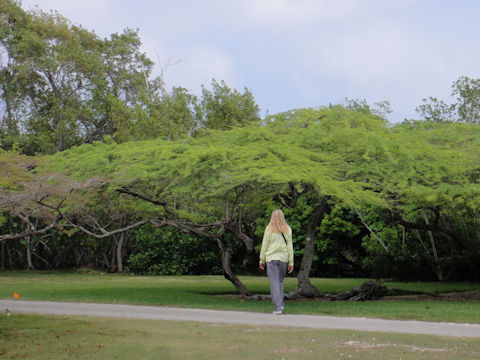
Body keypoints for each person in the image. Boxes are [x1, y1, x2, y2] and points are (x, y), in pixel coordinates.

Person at [259, 209, 294, 315]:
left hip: (271, 258)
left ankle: (278, 307)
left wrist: (262, 260)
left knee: (274, 283)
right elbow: (290, 246)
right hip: (284, 259)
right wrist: (291, 262)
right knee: (279, 282)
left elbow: (264, 245)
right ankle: (280, 304)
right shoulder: (287, 229)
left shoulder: (269, 229)